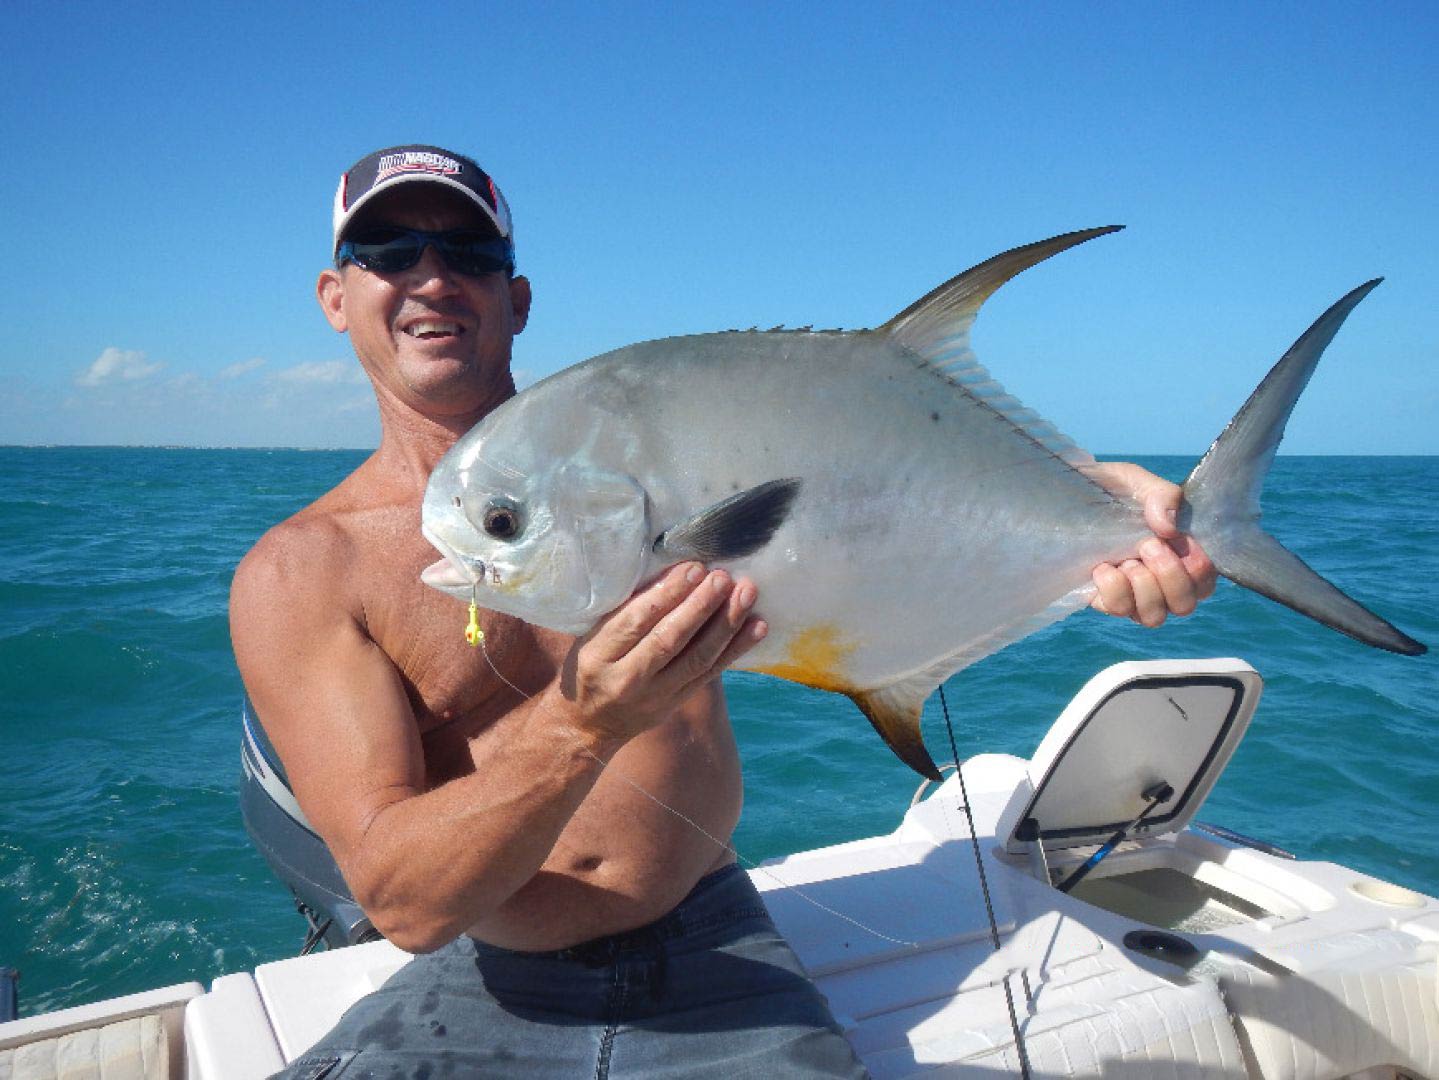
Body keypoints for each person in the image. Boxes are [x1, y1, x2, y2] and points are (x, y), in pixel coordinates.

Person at [230, 144, 1216, 1079]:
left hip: (716, 945)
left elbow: (855, 485)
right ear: (335, 296)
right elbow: (401, 901)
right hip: (490, 982)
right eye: (388, 253)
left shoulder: (653, 438)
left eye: (470, 254)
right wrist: (582, 724)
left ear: (515, 297)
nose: (433, 277)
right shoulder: (303, 573)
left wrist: (1098, 509)